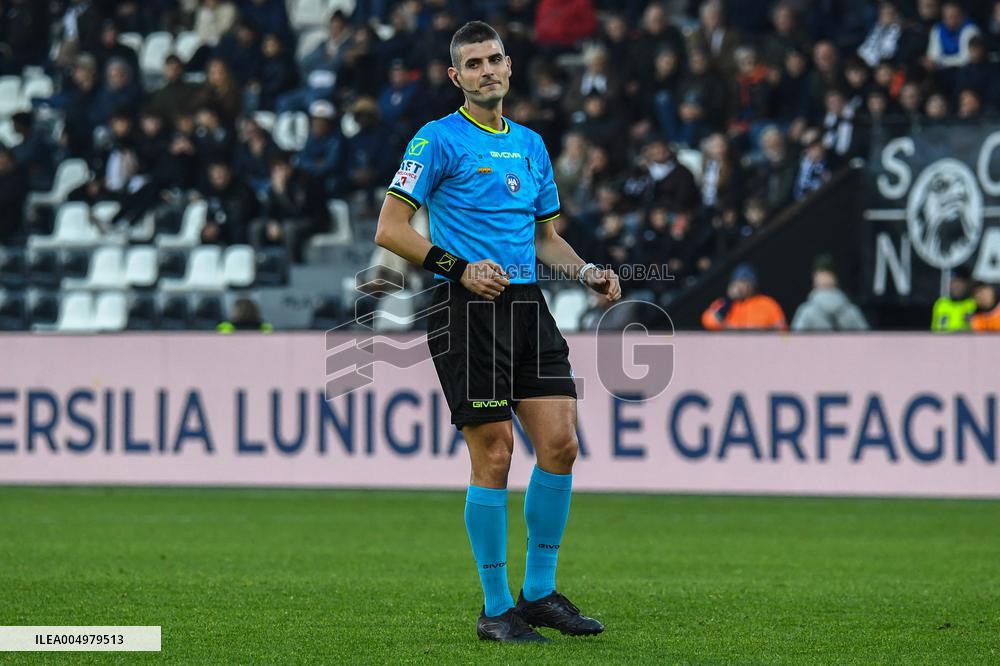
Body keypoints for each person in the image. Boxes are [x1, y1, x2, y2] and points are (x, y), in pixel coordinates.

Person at [374, 21, 617, 643]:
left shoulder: (532, 145)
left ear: (510, 67)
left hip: (528, 306)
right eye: (474, 63)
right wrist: (456, 267)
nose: (487, 70)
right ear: (456, 77)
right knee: (496, 453)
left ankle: (538, 594)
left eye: (495, 59)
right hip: (464, 309)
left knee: (560, 445)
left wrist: (586, 270)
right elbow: (391, 229)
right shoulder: (435, 140)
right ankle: (495, 607)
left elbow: (543, 239)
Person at [791, 256, 869, 331]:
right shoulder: (851, 311)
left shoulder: (806, 311)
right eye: (822, 272)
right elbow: (868, 340)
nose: (825, 276)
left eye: (827, 273)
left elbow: (794, 342)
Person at [702, 263, 786, 330]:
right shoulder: (723, 303)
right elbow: (709, 323)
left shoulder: (767, 303)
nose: (740, 286)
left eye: (744, 282)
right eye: (737, 282)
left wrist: (762, 332)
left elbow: (782, 330)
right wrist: (730, 299)